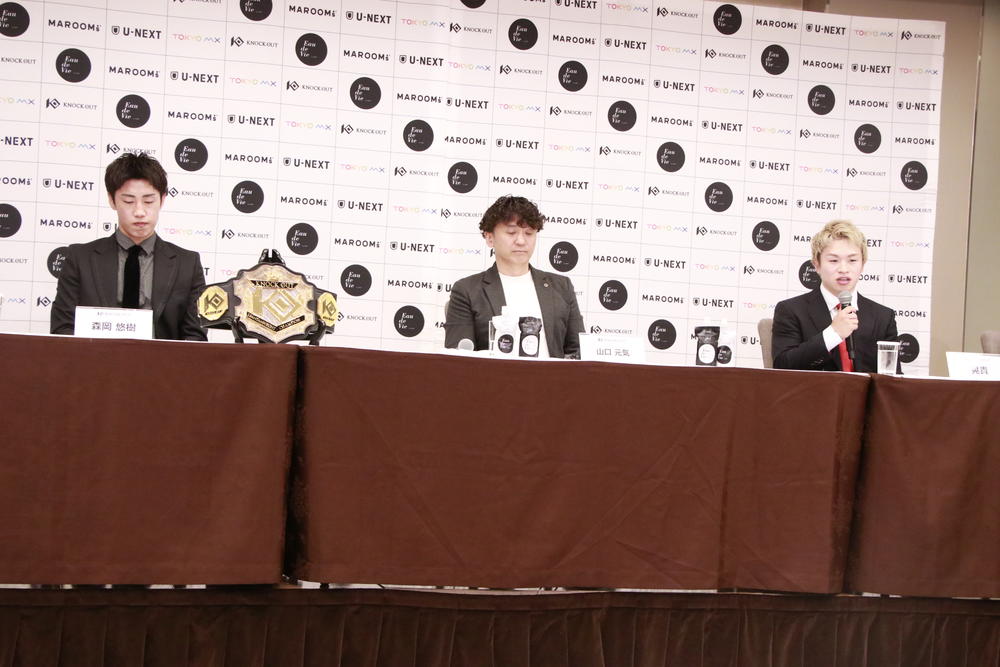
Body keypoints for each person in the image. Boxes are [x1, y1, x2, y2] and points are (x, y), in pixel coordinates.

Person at [50, 152, 207, 341]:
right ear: (112, 200)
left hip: (161, 360)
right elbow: (63, 329)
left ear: (162, 200)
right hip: (95, 359)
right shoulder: (80, 258)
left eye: (149, 201)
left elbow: (195, 337)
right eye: (128, 201)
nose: (139, 211)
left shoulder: (187, 264)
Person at [444, 195, 584, 358]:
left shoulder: (561, 286)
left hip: (552, 374)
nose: (521, 241)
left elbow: (579, 351)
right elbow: (459, 359)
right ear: (489, 238)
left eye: (529, 233)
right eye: (511, 233)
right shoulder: (467, 290)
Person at [772, 219, 898, 372]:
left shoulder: (883, 317)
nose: (843, 269)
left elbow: (891, 378)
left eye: (852, 260)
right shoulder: (791, 310)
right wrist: (833, 334)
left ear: (862, 264)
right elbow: (782, 365)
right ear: (817, 265)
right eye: (833, 260)